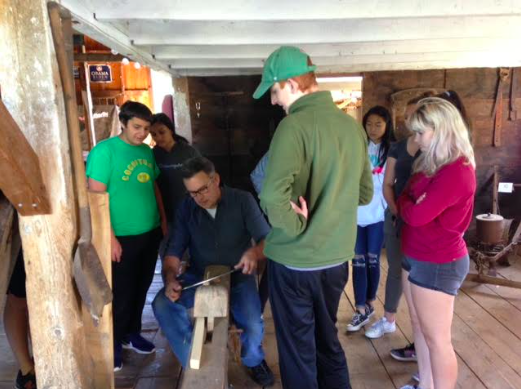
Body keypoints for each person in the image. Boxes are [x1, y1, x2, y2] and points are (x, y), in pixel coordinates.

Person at [253, 46, 373, 389]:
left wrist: (296, 226)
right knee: (327, 341)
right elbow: (364, 194)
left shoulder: (292, 127)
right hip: (335, 262)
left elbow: (271, 195)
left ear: (291, 84)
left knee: (297, 351)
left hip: (294, 263)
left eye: (274, 92)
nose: (274, 101)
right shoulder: (352, 128)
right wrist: (333, 200)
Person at [152, 157, 275, 387]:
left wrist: (253, 253)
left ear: (215, 179)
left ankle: (253, 360)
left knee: (252, 324)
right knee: (161, 303)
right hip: (201, 275)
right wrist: (170, 279)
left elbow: (267, 240)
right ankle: (198, 365)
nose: (199, 198)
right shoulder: (186, 208)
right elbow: (173, 253)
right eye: (192, 193)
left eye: (203, 189)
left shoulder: (242, 200)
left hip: (239, 273)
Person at [397, 97, 476, 389]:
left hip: (438, 260)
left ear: (441, 129)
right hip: (416, 252)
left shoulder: (457, 170)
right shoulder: (430, 161)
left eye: (420, 132)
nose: (415, 139)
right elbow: (405, 197)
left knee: (438, 340)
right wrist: (410, 204)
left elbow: (416, 214)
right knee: (419, 327)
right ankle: (425, 384)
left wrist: (410, 205)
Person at [86, 100, 167, 371]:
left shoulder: (146, 151)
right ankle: (114, 342)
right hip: (120, 236)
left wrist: (163, 221)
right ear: (123, 122)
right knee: (119, 293)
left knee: (140, 287)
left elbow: (154, 188)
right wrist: (109, 238)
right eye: (137, 127)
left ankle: (132, 333)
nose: (142, 133)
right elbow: (96, 199)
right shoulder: (104, 152)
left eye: (145, 128)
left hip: (150, 231)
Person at [347, 106, 394, 332]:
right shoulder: (356, 146)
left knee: (372, 260)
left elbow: (391, 181)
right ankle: (360, 308)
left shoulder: (391, 151)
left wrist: (387, 207)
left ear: (387, 126)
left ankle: (369, 303)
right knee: (357, 260)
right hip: (356, 213)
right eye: (369, 124)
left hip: (377, 213)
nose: (373, 129)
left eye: (378, 124)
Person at [150, 113, 200, 257]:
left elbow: (204, 176)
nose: (158, 138)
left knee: (192, 251)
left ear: (171, 129)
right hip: (165, 214)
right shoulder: (153, 155)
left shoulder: (188, 152)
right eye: (153, 134)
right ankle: (170, 279)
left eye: (162, 132)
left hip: (190, 211)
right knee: (168, 252)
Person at [4, 240, 37, 389]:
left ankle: (41, 363)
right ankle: (27, 371)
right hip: (21, 225)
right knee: (19, 297)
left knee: (45, 298)